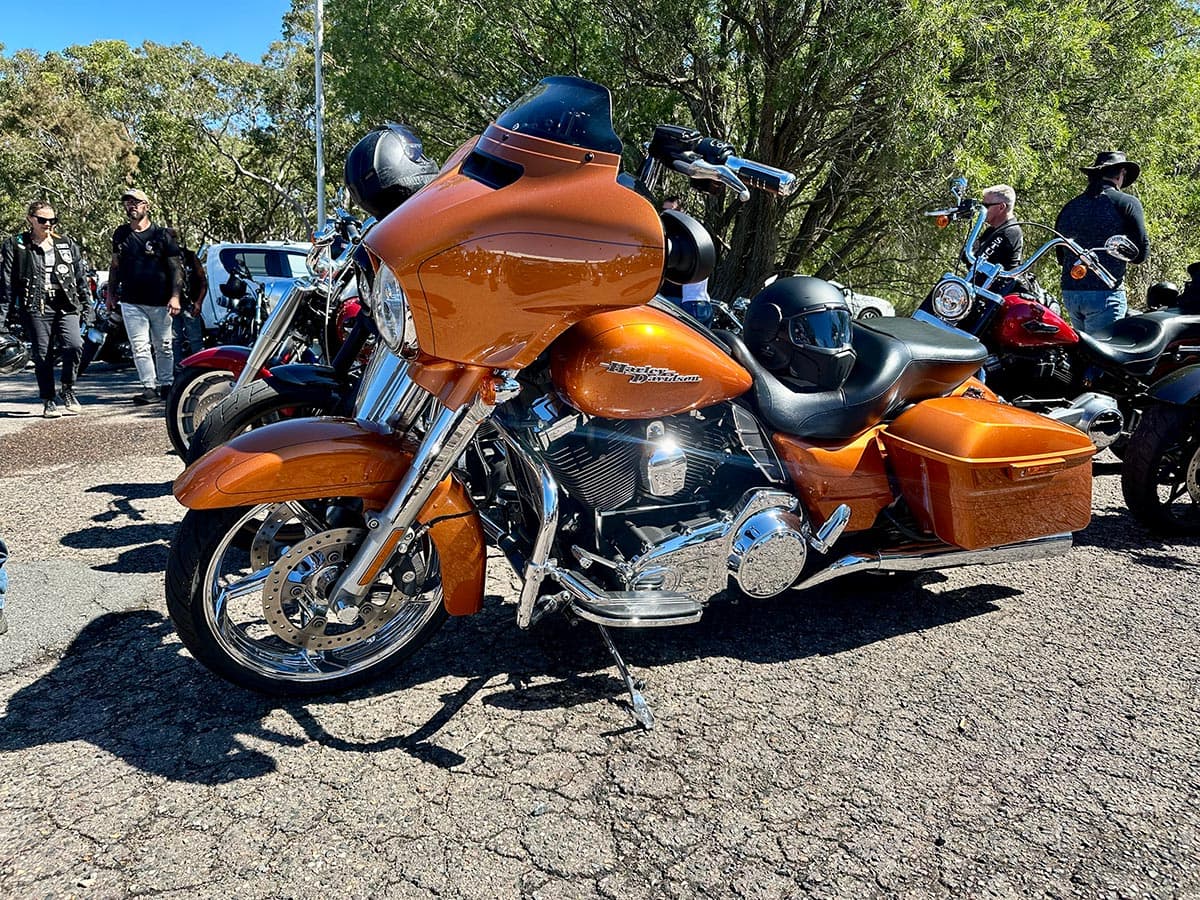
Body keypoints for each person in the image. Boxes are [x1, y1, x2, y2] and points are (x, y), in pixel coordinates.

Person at [0, 200, 91, 417]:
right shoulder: (16, 244)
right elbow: (6, 285)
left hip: (66, 302)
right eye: (42, 220)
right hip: (36, 304)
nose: (48, 224)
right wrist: (2, 321)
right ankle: (48, 398)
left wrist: (88, 306)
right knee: (43, 353)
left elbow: (80, 278)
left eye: (52, 220)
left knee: (74, 345)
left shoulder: (66, 243)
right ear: (30, 219)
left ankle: (67, 388)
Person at [1054, 151, 1149, 334]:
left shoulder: (1070, 207)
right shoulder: (1127, 203)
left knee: (1084, 349)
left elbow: (1061, 256)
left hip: (1070, 292)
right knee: (1104, 351)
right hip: (1105, 292)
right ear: (1121, 173)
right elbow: (1140, 254)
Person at [108, 188, 182, 404]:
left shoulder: (162, 235)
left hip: (160, 301)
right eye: (128, 202)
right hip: (131, 301)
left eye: (136, 202)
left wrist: (175, 296)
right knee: (140, 346)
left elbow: (176, 268)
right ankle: (149, 387)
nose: (132, 206)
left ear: (146, 206)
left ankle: (166, 384)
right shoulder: (121, 234)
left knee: (164, 345)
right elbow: (115, 265)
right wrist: (111, 293)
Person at [660, 196, 714, 325]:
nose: (667, 214)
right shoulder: (695, 234)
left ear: (681, 211)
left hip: (687, 302)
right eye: (664, 210)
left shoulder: (684, 238)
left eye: (672, 210)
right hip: (702, 302)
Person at [167, 227, 208, 372]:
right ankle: (176, 371)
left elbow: (203, 281)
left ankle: (200, 369)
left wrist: (198, 302)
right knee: (174, 340)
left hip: (189, 303)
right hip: (169, 306)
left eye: (172, 238)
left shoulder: (189, 256)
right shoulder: (161, 257)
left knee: (195, 339)